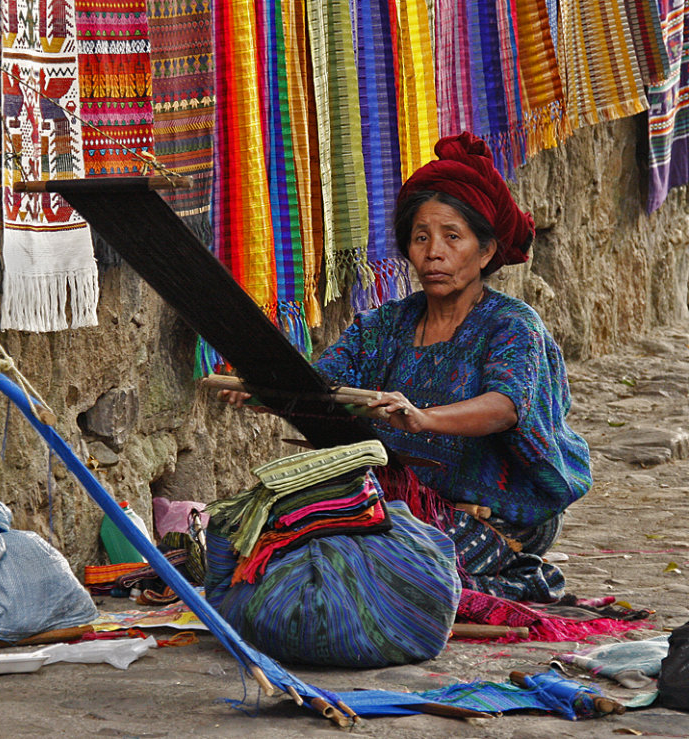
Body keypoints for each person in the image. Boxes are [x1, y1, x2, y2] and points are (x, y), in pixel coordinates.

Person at [222, 131, 591, 603]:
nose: (432, 252)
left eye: (451, 237)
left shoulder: (512, 326)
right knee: (275, 534)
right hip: (404, 502)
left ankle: (503, 576)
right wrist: (267, 392)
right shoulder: (386, 324)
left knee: (383, 562)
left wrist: (423, 418)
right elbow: (322, 385)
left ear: (486, 251)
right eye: (420, 238)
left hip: (497, 516)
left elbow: (506, 406)